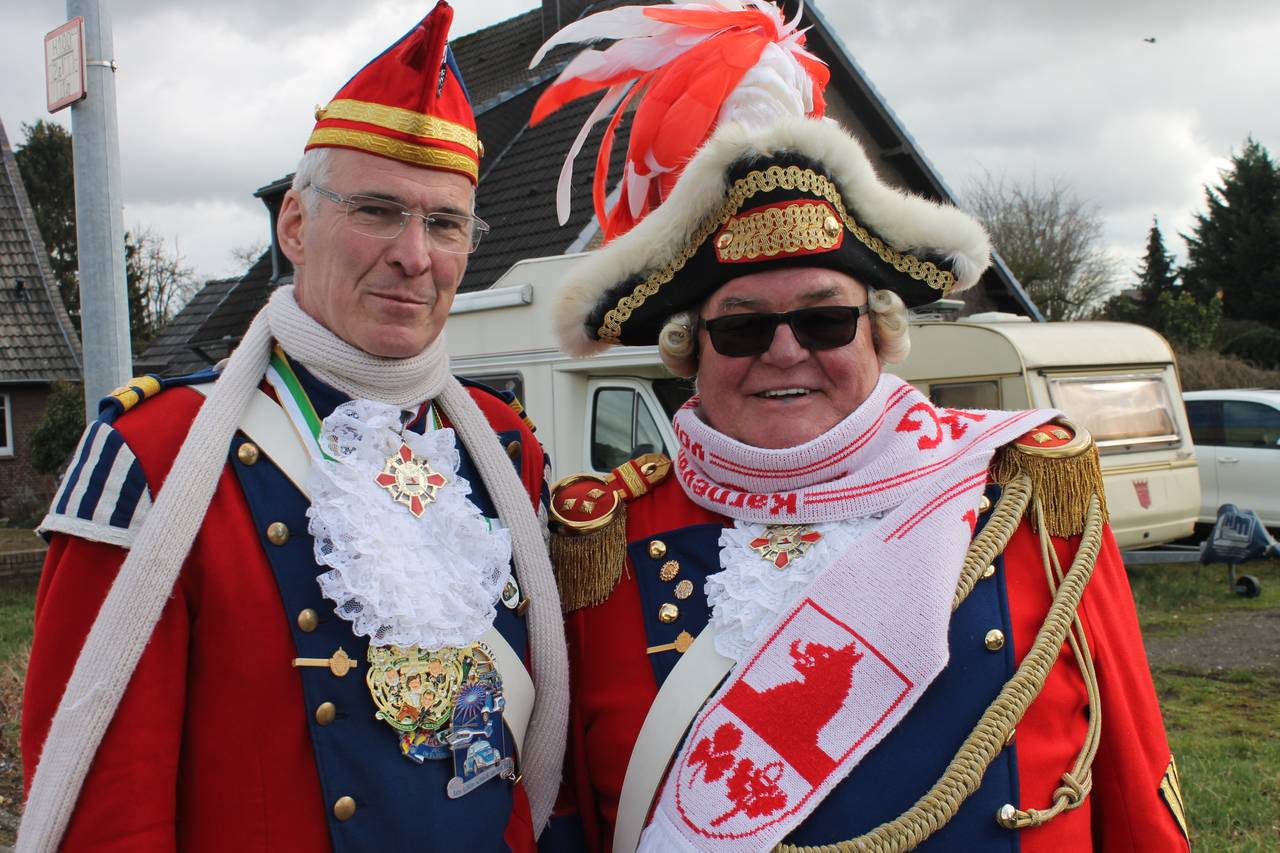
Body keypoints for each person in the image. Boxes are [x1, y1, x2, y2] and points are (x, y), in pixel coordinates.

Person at [532, 2, 1189, 851]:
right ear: (689, 349)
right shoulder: (602, 546)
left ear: (879, 331)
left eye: (825, 320)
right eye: (742, 327)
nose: (785, 351)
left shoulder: (1027, 492)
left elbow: (1135, 791)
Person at [19, 3, 568, 850]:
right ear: (296, 226)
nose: (414, 255)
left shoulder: (503, 448)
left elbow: (535, 775)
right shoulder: (156, 455)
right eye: (378, 210)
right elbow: (107, 811)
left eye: (444, 223)